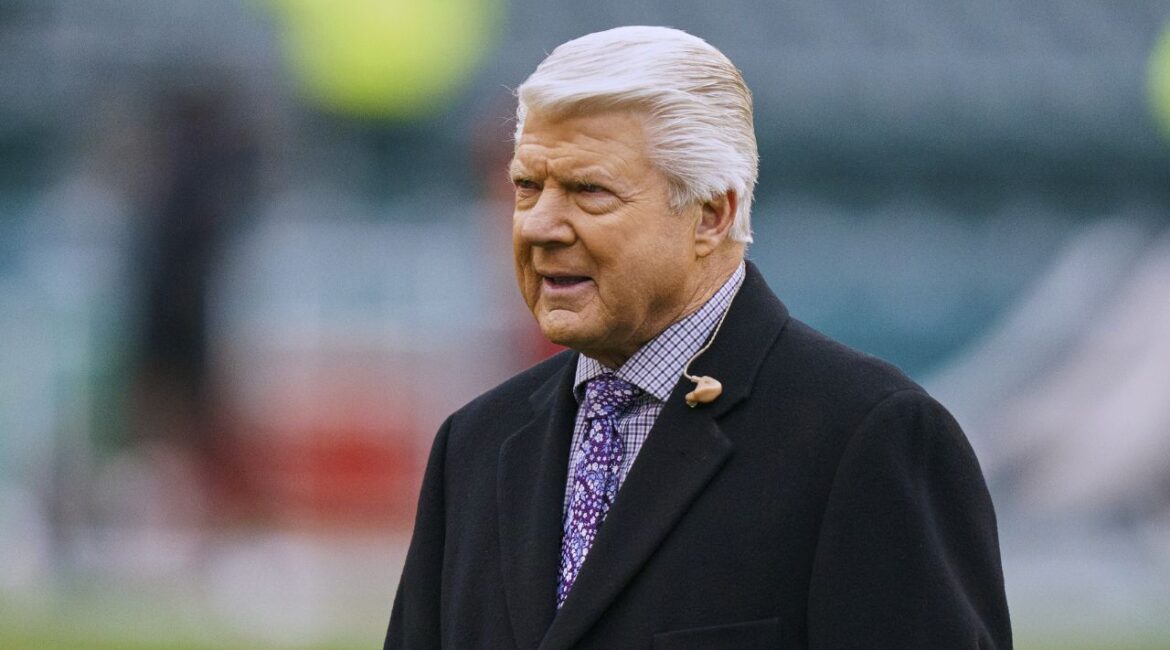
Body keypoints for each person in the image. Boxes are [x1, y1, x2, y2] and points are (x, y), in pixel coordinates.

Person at [385, 26, 1011, 649]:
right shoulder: (473, 445)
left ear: (711, 214)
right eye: (528, 186)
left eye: (588, 191)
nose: (542, 224)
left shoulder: (868, 437)